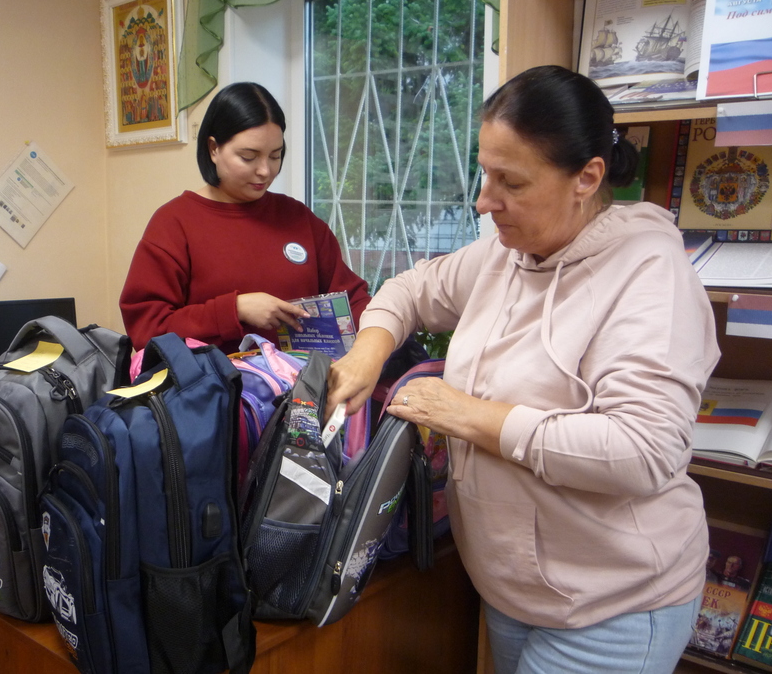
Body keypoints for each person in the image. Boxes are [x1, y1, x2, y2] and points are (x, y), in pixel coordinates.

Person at [326, 64, 720, 673]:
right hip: (511, 591)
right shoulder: (505, 255)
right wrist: (366, 353)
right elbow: (407, 290)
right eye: (486, 173)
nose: (485, 202)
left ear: (586, 177)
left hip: (611, 604)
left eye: (509, 182)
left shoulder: (651, 279)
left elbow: (645, 449)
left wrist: (469, 415)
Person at [120, 82, 370, 354]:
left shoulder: (298, 218)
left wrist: (382, 333)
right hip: (214, 392)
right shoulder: (174, 223)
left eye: (275, 155)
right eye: (248, 157)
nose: (265, 171)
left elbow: (352, 301)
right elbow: (147, 329)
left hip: (300, 391)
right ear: (214, 148)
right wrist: (234, 310)